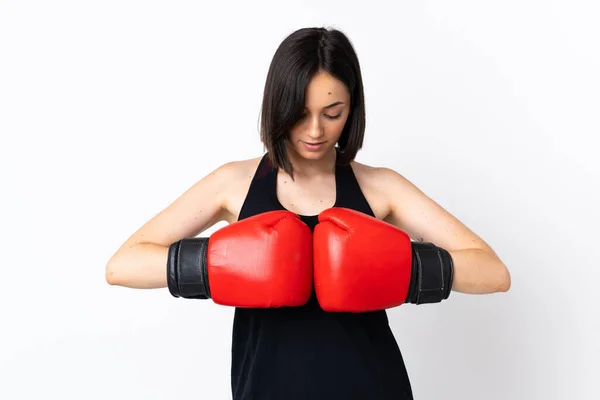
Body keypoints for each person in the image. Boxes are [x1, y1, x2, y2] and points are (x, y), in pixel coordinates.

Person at [106, 27, 511, 400]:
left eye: (332, 113)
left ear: (352, 108)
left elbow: (493, 272)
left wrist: (405, 270)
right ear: (277, 105)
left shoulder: (381, 188)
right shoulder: (233, 184)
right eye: (300, 113)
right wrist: (220, 264)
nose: (315, 130)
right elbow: (123, 265)